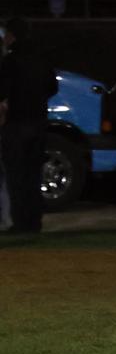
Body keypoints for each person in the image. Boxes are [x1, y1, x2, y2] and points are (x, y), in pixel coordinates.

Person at [0, 19, 59, 234]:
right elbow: (53, 86)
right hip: (38, 123)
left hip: (17, 123)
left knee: (17, 176)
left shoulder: (11, 60)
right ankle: (35, 221)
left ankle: (21, 221)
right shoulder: (41, 58)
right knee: (33, 175)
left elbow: (2, 90)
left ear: (13, 36)